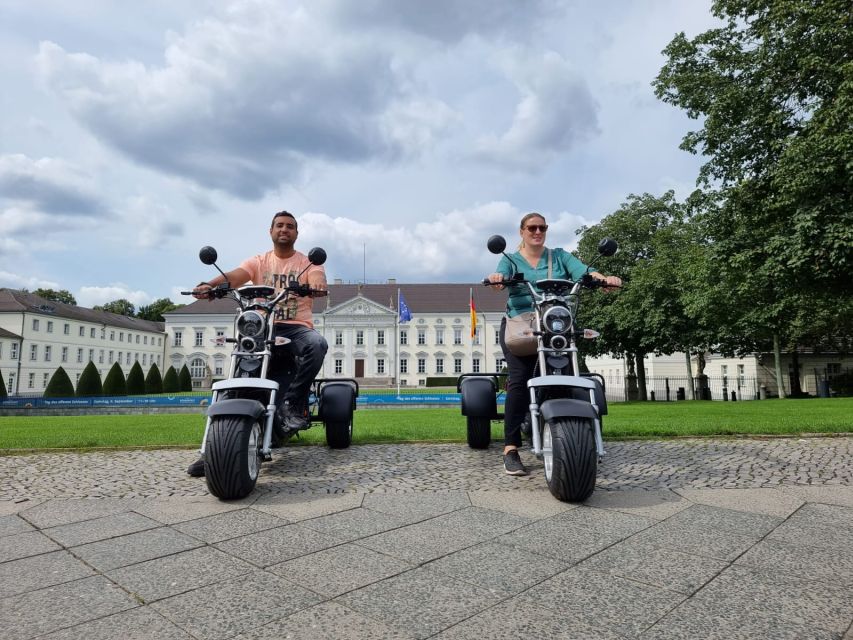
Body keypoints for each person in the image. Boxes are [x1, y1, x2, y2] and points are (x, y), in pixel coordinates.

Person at [186, 210, 329, 477]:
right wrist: (210, 284)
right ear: (271, 231)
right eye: (279, 225)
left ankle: (293, 403)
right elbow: (235, 276)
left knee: (317, 344)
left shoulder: (308, 263)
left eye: (290, 226)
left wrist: (315, 287)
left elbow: (319, 280)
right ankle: (214, 451)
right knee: (238, 372)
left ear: (296, 234)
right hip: (261, 327)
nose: (284, 229)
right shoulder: (259, 261)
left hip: (296, 327)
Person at [487, 212, 621, 476]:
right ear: (522, 231)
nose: (537, 232)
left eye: (542, 228)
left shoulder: (559, 256)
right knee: (519, 380)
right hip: (521, 324)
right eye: (532, 228)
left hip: (556, 322)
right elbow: (498, 282)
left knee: (572, 373)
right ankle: (511, 448)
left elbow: (585, 272)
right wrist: (496, 280)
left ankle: (583, 442)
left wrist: (603, 279)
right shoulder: (510, 260)